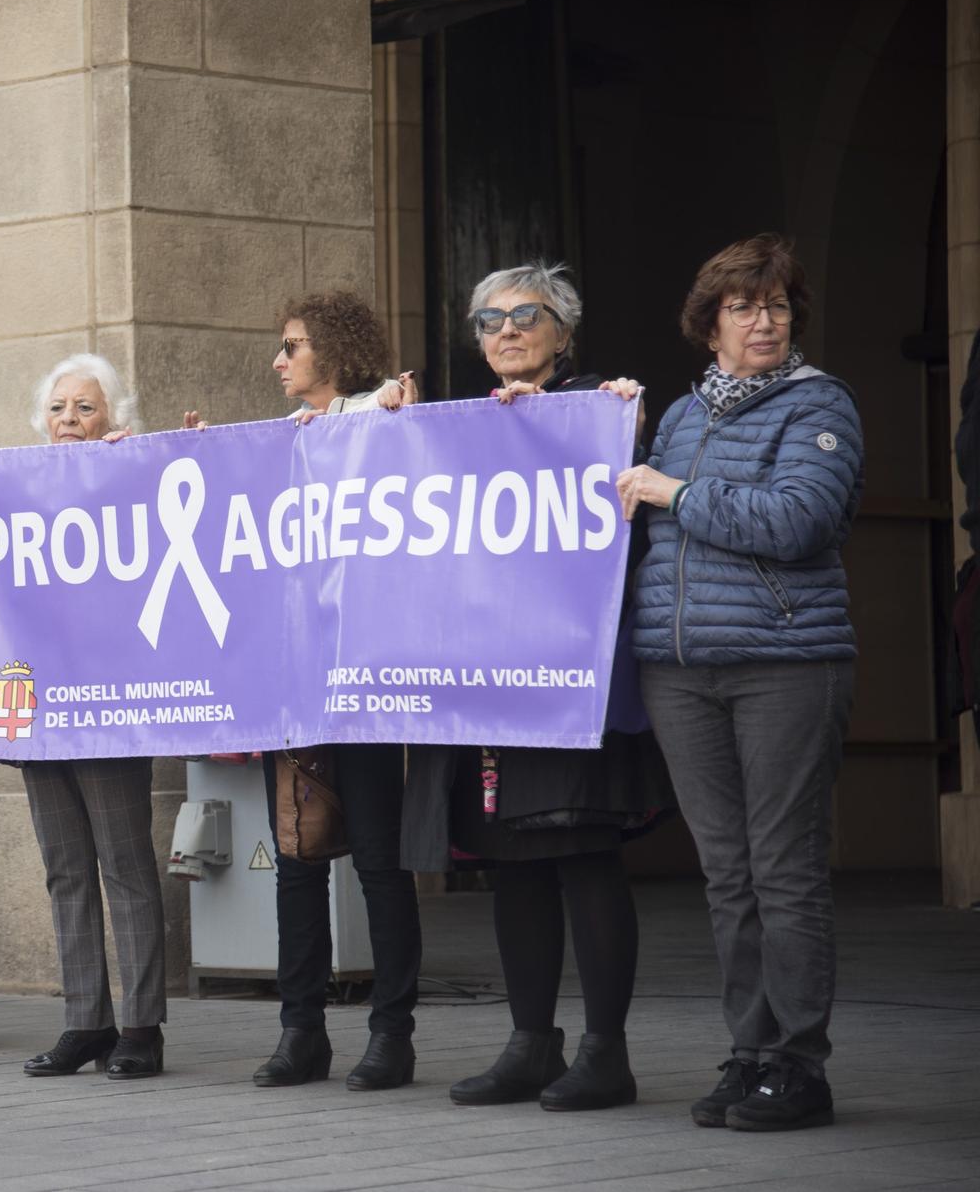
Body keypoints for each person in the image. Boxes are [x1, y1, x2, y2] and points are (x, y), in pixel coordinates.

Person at [399, 263, 673, 1112]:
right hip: (486, 684)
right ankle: (530, 1042)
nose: (508, 331)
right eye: (490, 320)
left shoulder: (600, 408)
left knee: (581, 855)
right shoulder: (462, 424)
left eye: (528, 315)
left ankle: (605, 1052)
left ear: (564, 332)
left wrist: (610, 414)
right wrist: (384, 422)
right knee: (511, 863)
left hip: (568, 679)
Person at [617, 234, 863, 1133]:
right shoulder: (681, 417)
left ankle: (800, 1064)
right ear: (709, 323)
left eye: (778, 306)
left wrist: (674, 493)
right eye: (743, 307)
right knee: (728, 874)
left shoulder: (820, 404)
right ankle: (751, 1052)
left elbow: (799, 519)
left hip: (786, 666)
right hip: (681, 671)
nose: (764, 321)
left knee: (784, 868)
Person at [0, 352, 170, 1080]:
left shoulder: (131, 470)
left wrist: (143, 462)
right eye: (60, 408)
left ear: (114, 418)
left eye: (86, 408)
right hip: (38, 707)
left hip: (108, 705)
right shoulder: (13, 488)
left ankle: (141, 1025)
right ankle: (84, 1021)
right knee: (65, 869)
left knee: (125, 866)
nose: (69, 420)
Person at [236, 293, 424, 1093]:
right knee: (298, 857)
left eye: (292, 346)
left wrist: (391, 412)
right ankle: (301, 1030)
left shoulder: (380, 418)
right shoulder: (282, 442)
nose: (279, 361)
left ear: (336, 354)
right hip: (298, 675)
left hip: (369, 674)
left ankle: (391, 1032)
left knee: (380, 859)